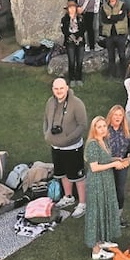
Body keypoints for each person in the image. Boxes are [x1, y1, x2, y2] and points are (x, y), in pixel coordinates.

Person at [43, 78, 88, 218]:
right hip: (56, 146)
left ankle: (82, 203)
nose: (59, 91)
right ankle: (68, 196)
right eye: (56, 89)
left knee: (77, 176)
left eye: (61, 88)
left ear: (67, 88)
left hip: (72, 147)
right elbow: (46, 120)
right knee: (62, 173)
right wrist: (47, 134)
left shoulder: (77, 104)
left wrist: (68, 139)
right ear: (52, 89)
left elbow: (82, 125)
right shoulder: (50, 102)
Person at [83, 116, 126, 260]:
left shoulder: (104, 141)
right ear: (94, 129)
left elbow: (105, 160)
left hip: (106, 181)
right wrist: (114, 165)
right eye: (99, 126)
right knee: (96, 213)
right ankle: (96, 251)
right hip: (96, 183)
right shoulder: (93, 144)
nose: (102, 129)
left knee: (104, 209)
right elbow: (94, 167)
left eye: (104, 126)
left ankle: (102, 241)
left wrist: (116, 159)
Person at [105, 104, 130, 228]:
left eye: (120, 115)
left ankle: (118, 216)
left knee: (120, 190)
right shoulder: (104, 131)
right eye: (115, 115)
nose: (117, 117)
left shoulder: (126, 131)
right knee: (107, 190)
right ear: (110, 116)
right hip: (107, 164)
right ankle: (106, 217)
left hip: (122, 165)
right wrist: (112, 160)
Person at [61, 1, 85, 86]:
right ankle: (71, 78)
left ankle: (79, 78)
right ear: (67, 9)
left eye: (73, 7)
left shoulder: (81, 18)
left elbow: (83, 28)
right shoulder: (65, 19)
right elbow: (64, 30)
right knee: (71, 61)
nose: (72, 9)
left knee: (79, 60)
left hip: (80, 41)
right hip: (70, 41)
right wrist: (72, 37)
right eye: (70, 8)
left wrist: (79, 37)